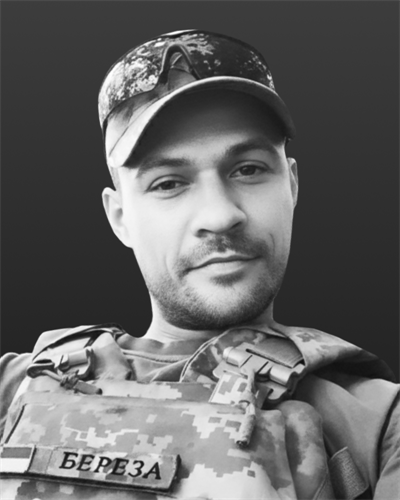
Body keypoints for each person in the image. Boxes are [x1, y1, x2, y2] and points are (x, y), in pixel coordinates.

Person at [0, 29, 398, 500]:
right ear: (120, 217)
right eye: (169, 183)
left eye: (248, 169)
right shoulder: (11, 390)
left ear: (291, 185)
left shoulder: (379, 423)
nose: (220, 215)